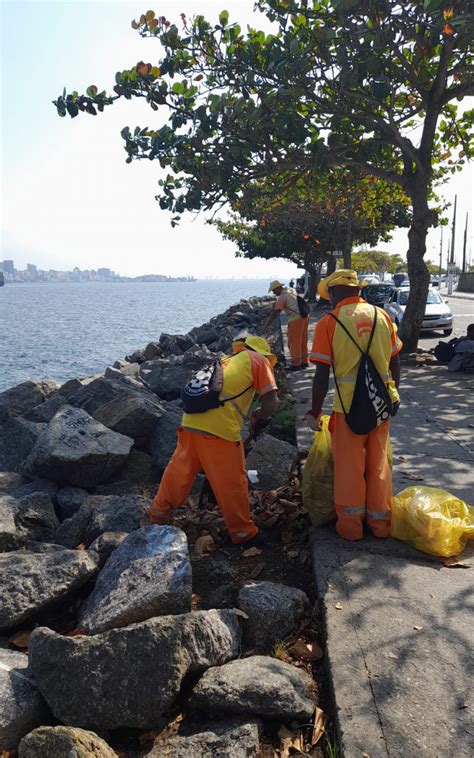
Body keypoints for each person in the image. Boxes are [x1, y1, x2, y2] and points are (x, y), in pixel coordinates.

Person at [149, 335, 279, 546]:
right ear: (264, 354)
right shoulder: (259, 361)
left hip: (190, 421)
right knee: (232, 482)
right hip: (219, 430)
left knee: (179, 472)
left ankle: (157, 515)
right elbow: (271, 403)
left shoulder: (226, 360)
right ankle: (243, 533)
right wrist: (260, 417)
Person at [307, 269, 402, 541]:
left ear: (335, 292)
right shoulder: (382, 316)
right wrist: (393, 394)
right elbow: (395, 361)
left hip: (347, 408)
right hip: (381, 406)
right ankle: (380, 524)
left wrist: (315, 411)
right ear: (358, 291)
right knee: (378, 464)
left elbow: (321, 375)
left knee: (350, 469)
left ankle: (351, 527)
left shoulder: (330, 322)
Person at [265, 280, 310, 371]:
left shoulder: (282, 297)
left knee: (294, 342)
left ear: (278, 288)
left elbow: (276, 311)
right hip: (305, 317)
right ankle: (304, 362)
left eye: (274, 290)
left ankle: (296, 365)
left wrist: (267, 324)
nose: (273, 293)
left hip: (295, 319)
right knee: (303, 340)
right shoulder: (291, 291)